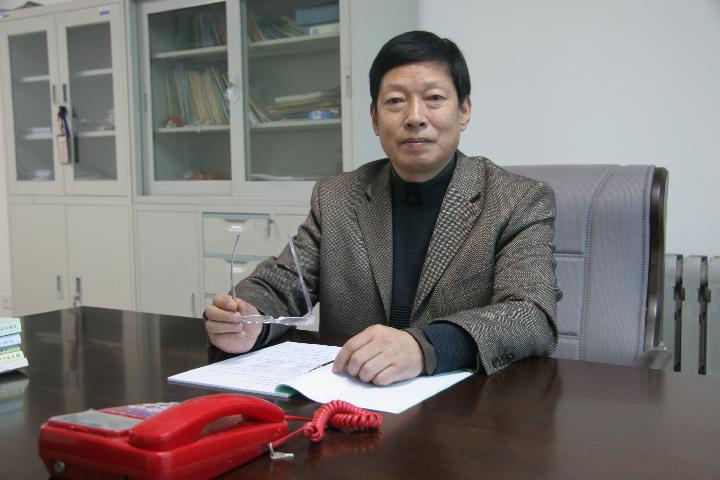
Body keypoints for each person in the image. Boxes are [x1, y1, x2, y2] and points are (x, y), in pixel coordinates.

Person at [204, 30, 561, 386]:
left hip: (463, 403)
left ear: (463, 111)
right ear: (375, 118)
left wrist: (425, 346)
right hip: (349, 397)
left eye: (434, 98)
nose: (415, 117)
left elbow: (531, 314)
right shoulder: (338, 197)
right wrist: (247, 317)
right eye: (395, 101)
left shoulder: (516, 199)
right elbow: (283, 284)